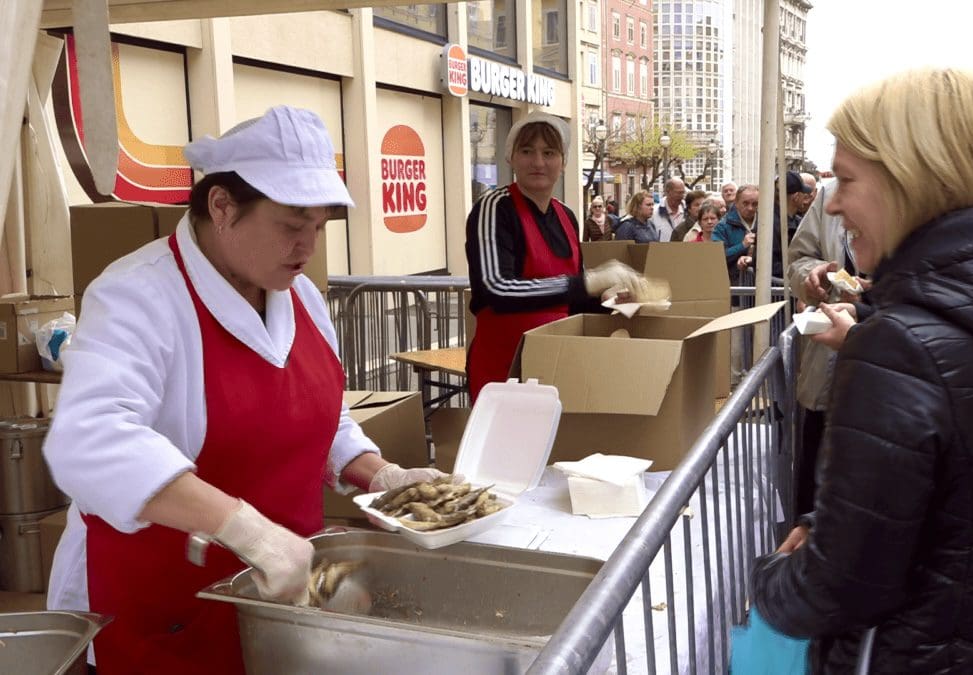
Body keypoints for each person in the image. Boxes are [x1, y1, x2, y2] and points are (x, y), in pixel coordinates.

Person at [42, 106, 452, 674]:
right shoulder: (137, 295)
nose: (307, 246)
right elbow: (89, 440)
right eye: (291, 224)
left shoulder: (300, 298)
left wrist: (381, 476)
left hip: (284, 603)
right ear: (222, 206)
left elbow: (322, 419)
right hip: (166, 612)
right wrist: (245, 529)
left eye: (320, 226)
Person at [751, 68, 973, 673]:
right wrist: (839, 519)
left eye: (845, 180)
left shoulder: (900, 344)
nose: (832, 203)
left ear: (907, 179)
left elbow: (834, 589)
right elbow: (971, 497)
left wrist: (769, 575)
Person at [465, 112, 647, 401]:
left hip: (557, 366)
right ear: (511, 157)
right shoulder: (495, 207)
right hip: (504, 371)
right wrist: (591, 281)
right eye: (527, 151)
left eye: (548, 153)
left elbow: (572, 298)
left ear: (563, 163)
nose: (538, 162)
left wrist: (607, 300)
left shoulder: (566, 215)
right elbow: (496, 289)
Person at [783, 178, 855, 518]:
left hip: (889, 386)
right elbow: (798, 260)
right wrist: (813, 273)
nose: (834, 207)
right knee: (814, 496)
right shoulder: (831, 192)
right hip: (826, 376)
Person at [713, 184, 759, 283]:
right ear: (736, 203)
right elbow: (717, 257)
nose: (750, 208)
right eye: (745, 203)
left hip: (761, 284)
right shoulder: (723, 226)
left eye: (755, 204)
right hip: (734, 284)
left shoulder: (766, 223)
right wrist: (742, 246)